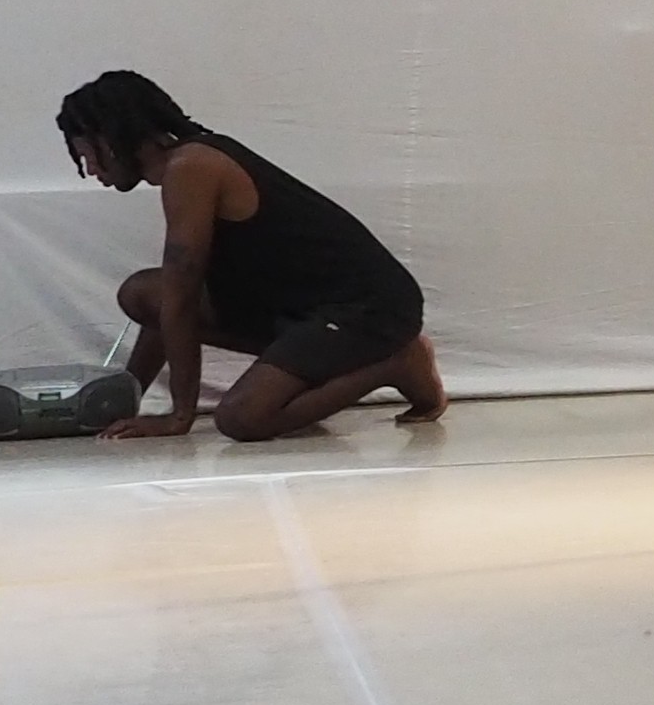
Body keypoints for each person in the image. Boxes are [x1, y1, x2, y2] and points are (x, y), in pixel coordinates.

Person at [58, 71, 445, 442]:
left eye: (87, 156)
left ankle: (399, 361)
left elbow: (182, 296)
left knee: (242, 418)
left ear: (111, 140)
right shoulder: (189, 162)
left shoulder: (193, 167)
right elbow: (171, 301)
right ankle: (332, 359)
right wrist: (125, 402)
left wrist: (180, 416)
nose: (90, 170)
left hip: (368, 309)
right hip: (296, 305)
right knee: (142, 293)